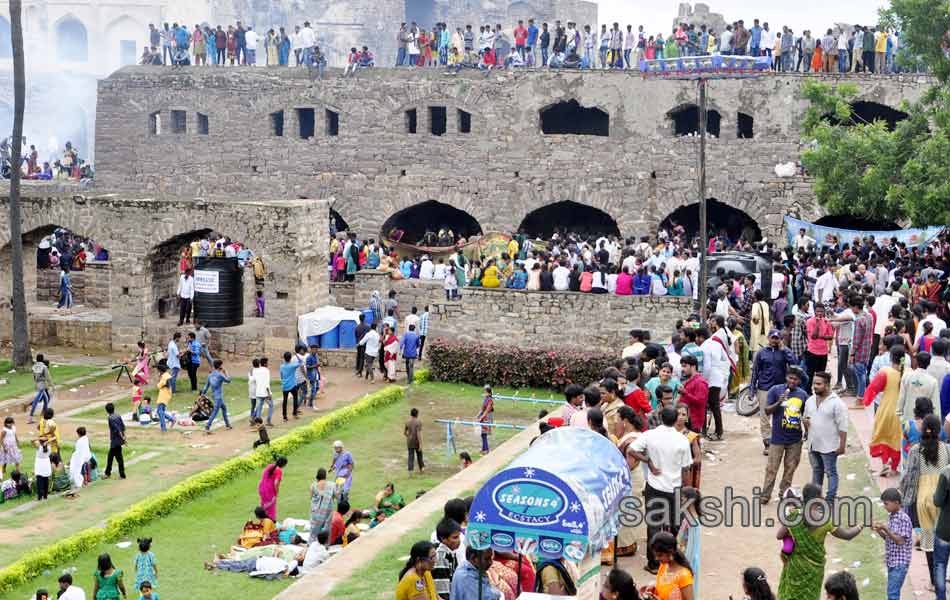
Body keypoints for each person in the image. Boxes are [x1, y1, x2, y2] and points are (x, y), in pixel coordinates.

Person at [628, 407, 692, 574]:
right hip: (675, 487)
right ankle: (671, 558)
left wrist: (647, 461)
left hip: (655, 487)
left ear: (661, 417)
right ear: (675, 419)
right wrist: (686, 490)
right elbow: (686, 468)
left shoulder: (649, 435)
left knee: (654, 525)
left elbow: (631, 450)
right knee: (674, 524)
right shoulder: (682, 440)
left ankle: (654, 563)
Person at [776, 483, 863, 600]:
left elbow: (779, 535)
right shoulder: (825, 521)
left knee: (791, 594)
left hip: (795, 566)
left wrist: (792, 533)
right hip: (815, 568)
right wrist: (861, 525)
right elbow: (847, 535)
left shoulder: (794, 515)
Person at [759, 367, 807, 504]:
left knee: (790, 469)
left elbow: (806, 415)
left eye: (796, 379)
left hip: (795, 439)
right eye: (790, 378)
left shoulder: (803, 395)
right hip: (777, 438)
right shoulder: (775, 390)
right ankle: (765, 495)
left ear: (799, 381)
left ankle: (783, 494)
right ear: (786, 377)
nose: (792, 381)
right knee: (771, 468)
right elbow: (767, 411)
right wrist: (779, 402)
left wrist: (807, 431)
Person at [751, 330, 798, 454]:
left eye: (777, 338)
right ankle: (767, 443)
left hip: (780, 389)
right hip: (764, 388)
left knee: (782, 415)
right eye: (773, 338)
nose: (774, 340)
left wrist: (784, 349)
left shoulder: (783, 352)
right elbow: (755, 371)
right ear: (768, 338)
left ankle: (780, 441)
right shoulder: (761, 353)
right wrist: (752, 389)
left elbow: (794, 363)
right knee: (765, 416)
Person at [803, 372, 847, 502]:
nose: (814, 386)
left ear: (827, 386)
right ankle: (815, 499)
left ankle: (830, 500)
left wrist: (842, 446)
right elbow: (806, 419)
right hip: (813, 444)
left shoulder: (837, 403)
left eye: (818, 384)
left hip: (829, 446)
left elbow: (843, 426)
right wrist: (805, 425)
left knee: (831, 473)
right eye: (814, 383)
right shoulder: (810, 400)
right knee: (817, 471)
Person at [863, 346, 905, 476]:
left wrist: (866, 401)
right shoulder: (908, 372)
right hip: (902, 413)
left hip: (887, 410)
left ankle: (885, 464)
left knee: (883, 437)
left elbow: (873, 389)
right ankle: (894, 467)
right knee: (897, 440)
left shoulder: (885, 372)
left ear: (891, 357)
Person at [871, 488, 911, 600]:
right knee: (892, 593)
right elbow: (889, 539)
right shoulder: (892, 517)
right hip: (892, 562)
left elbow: (900, 541)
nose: (884, 506)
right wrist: (879, 531)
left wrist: (886, 528)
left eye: (886, 504)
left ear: (896, 503)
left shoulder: (903, 518)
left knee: (892, 594)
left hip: (899, 563)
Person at [640, 531, 693, 600]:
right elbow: (664, 586)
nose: (656, 558)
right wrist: (653, 587)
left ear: (670, 552)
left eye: (660, 555)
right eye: (655, 555)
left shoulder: (684, 576)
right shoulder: (664, 566)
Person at [676, 487, 701, 599]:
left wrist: (685, 564)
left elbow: (691, 546)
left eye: (682, 499)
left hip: (688, 560)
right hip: (686, 557)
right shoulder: (691, 519)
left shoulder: (693, 522)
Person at [432, 518, 461, 600]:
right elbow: (442, 590)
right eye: (455, 537)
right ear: (443, 539)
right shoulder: (442, 557)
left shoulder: (451, 553)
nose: (459, 540)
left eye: (459, 536)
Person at [201, 359, 232, 433]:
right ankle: (207, 426)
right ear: (220, 366)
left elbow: (206, 387)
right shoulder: (220, 375)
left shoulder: (210, 375)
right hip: (219, 397)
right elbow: (228, 380)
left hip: (214, 395)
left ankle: (228, 424)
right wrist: (225, 372)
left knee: (224, 408)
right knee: (215, 412)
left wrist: (202, 394)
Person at [309, 468, 338, 543]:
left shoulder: (313, 485)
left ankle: (311, 544)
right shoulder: (332, 485)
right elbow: (336, 496)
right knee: (326, 528)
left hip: (316, 511)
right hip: (327, 510)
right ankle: (325, 545)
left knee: (314, 531)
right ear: (325, 475)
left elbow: (311, 498)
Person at [258, 456, 287, 521]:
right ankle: (271, 525)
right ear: (284, 465)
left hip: (262, 488)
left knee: (264, 507)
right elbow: (276, 483)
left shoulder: (270, 466)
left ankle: (263, 523)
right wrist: (276, 492)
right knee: (271, 510)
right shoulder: (279, 470)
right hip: (269, 491)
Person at [103, 403, 126, 480]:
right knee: (113, 457)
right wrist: (124, 437)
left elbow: (117, 430)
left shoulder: (110, 418)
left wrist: (123, 438)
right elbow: (123, 427)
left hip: (115, 441)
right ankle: (110, 473)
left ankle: (109, 473)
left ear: (107, 411)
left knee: (115, 458)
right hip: (118, 440)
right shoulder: (118, 415)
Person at [29, 354, 53, 424]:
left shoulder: (34, 367)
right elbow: (48, 377)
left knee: (46, 399)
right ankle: (30, 418)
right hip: (42, 386)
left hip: (38, 385)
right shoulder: (44, 367)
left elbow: (34, 378)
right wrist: (52, 385)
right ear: (42, 359)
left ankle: (45, 416)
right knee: (37, 401)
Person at [68, 426, 91, 492]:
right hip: (86, 457)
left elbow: (78, 451)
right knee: (85, 469)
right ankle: (87, 480)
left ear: (79, 434)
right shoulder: (85, 438)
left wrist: (73, 458)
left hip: (82, 458)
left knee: (82, 470)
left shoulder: (80, 441)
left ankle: (85, 481)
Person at [279, 351, 301, 420]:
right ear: (290, 358)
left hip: (285, 386)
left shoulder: (281, 366)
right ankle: (294, 413)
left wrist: (283, 382)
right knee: (295, 399)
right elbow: (301, 362)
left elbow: (281, 376)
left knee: (285, 401)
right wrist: (296, 355)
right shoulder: (292, 365)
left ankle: (284, 416)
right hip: (293, 385)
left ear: (284, 358)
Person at [253, 357, 273, 426]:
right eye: (267, 362)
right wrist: (269, 393)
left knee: (259, 407)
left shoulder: (256, 370)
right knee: (271, 405)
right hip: (265, 392)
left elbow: (255, 380)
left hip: (258, 392)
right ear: (265, 363)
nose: (268, 364)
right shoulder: (266, 371)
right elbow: (267, 383)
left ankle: (257, 422)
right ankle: (268, 421)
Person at [405, 407, 424, 472]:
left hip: (409, 442)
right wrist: (421, 444)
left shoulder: (407, 422)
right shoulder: (418, 422)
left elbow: (404, 433)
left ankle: (410, 472)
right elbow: (418, 434)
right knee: (419, 455)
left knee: (411, 456)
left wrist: (409, 436)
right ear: (417, 414)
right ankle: (422, 469)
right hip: (416, 442)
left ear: (411, 414)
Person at [477, 385, 494, 455]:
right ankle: (484, 449)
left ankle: (486, 450)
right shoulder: (485, 398)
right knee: (483, 434)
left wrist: (481, 417)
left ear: (489, 393)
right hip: (483, 417)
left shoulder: (490, 400)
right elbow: (482, 409)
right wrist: (478, 415)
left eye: (485, 392)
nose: (484, 393)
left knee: (484, 433)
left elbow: (487, 410)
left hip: (487, 417)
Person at [305, 344, 322, 408]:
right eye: (315, 349)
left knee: (317, 388)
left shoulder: (316, 356)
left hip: (316, 374)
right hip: (311, 375)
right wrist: (315, 365)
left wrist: (318, 365)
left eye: (317, 349)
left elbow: (317, 364)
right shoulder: (309, 357)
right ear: (311, 349)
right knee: (313, 390)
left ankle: (310, 402)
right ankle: (311, 404)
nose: (316, 350)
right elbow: (307, 366)